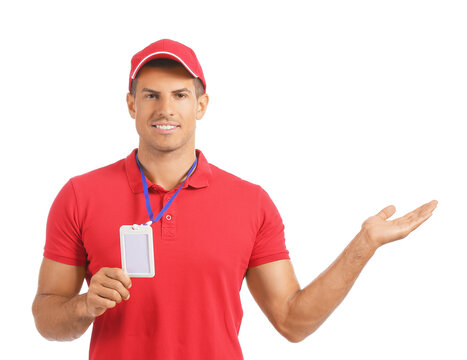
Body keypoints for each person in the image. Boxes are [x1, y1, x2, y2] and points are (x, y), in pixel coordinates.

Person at [31, 38, 438, 360]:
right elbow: (46, 319)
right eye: (151, 95)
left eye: (180, 95)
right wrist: (84, 305)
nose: (165, 109)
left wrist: (363, 245)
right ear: (131, 104)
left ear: (201, 105)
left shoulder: (251, 202)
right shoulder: (79, 195)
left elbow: (293, 321)